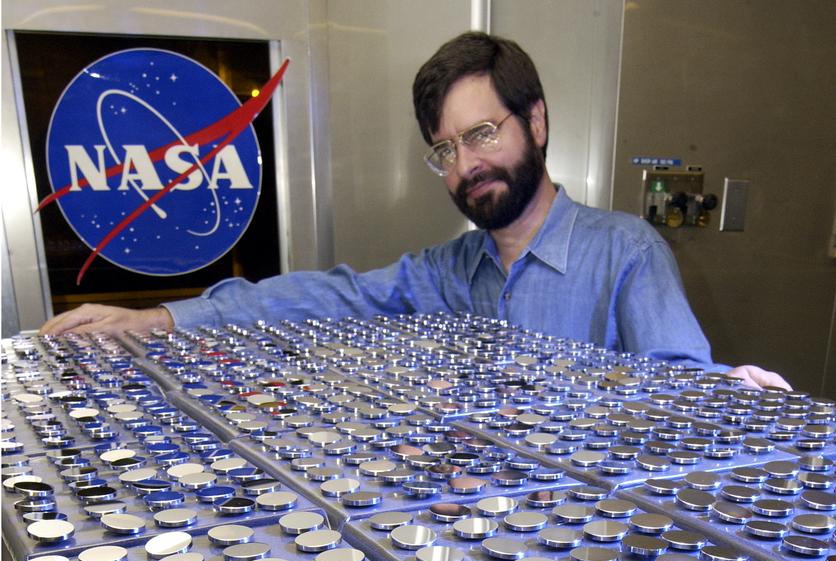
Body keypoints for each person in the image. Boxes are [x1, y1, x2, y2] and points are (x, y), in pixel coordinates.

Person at [40, 32, 789, 390]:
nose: (466, 166)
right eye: (445, 149)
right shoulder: (451, 269)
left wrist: (731, 394)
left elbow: (680, 391)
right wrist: (163, 320)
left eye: (482, 134)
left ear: (537, 122)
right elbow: (327, 294)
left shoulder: (626, 255)